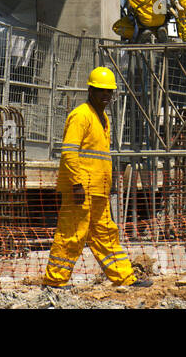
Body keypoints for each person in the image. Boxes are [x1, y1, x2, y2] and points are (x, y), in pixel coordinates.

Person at [43, 67, 151, 291]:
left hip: (98, 190)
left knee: (106, 234)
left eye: (109, 92)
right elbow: (69, 152)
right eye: (101, 90)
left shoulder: (103, 119)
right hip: (81, 190)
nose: (106, 95)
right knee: (72, 234)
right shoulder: (81, 115)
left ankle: (125, 278)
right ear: (90, 90)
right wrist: (76, 183)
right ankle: (54, 282)